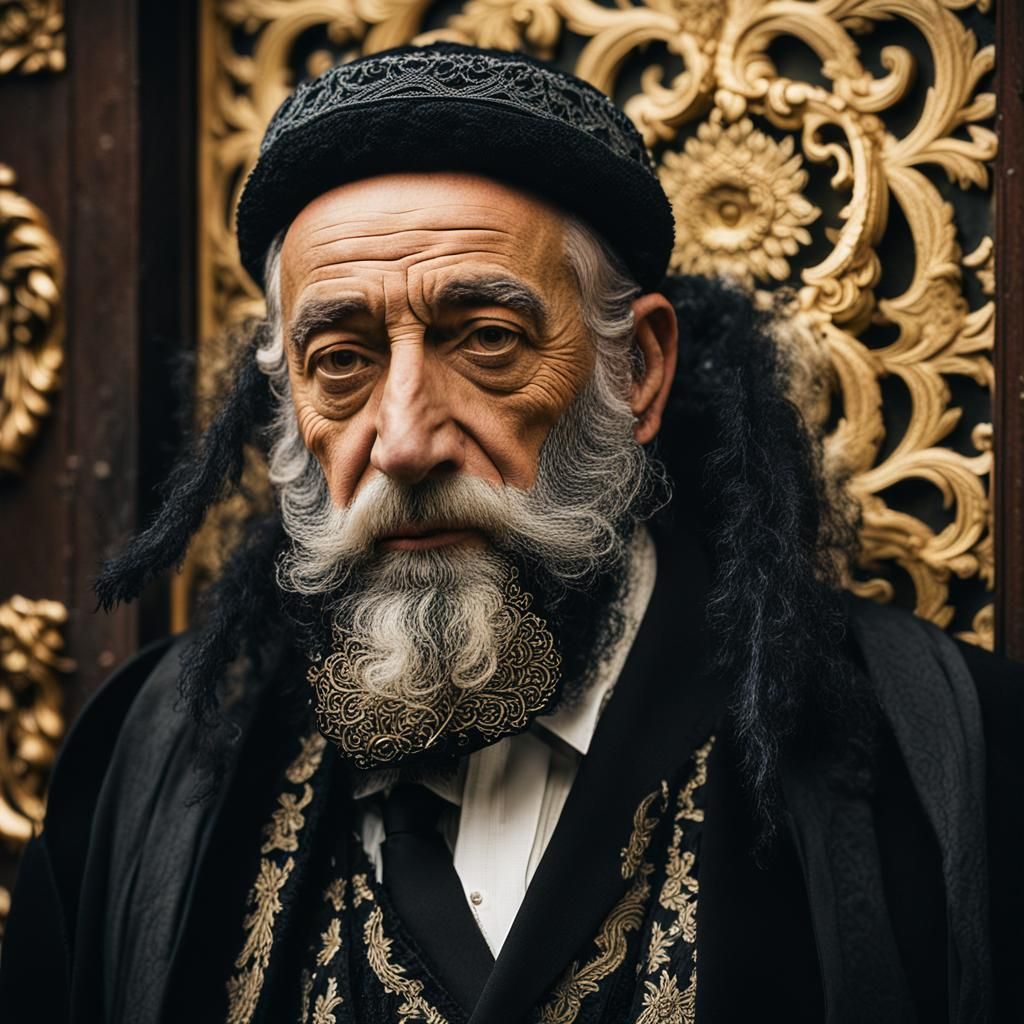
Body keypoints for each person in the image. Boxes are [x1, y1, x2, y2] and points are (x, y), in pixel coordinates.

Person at [1, 44, 1021, 1024]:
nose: (402, 441)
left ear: (639, 370)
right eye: (342, 360)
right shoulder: (150, 763)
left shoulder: (946, 762)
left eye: (485, 340)